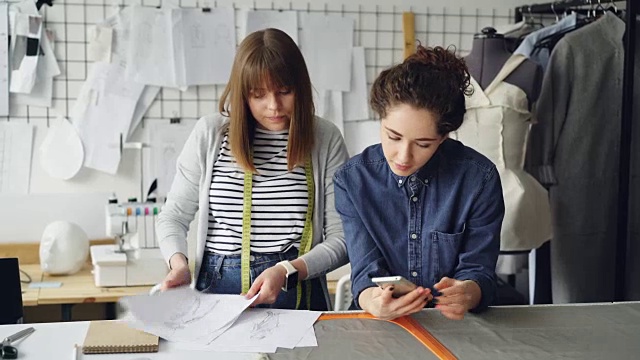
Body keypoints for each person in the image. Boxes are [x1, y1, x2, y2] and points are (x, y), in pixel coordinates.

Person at [156, 28, 349, 311]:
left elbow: (343, 239)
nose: (274, 106)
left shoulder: (324, 138)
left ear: (302, 87)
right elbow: (172, 215)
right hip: (216, 290)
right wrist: (178, 264)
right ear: (242, 94)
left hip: (295, 288)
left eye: (285, 91)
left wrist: (288, 270)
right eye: (258, 95)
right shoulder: (210, 135)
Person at [334, 45, 504, 320]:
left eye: (423, 144)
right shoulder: (353, 180)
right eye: (393, 136)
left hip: (456, 326)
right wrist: (372, 301)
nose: (403, 156)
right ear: (380, 118)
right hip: (383, 327)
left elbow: (479, 270)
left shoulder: (478, 179)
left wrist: (467, 293)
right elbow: (365, 270)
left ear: (444, 136)